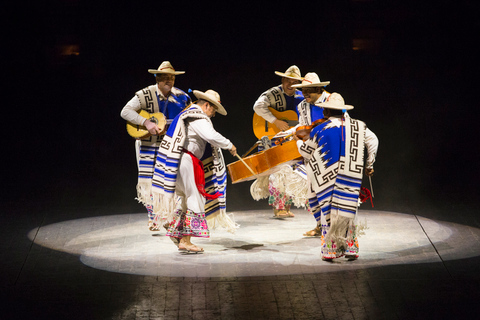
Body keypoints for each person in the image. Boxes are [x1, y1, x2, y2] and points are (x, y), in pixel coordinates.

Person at [149, 89, 237, 253]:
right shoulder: (198, 116)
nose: (213, 114)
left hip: (178, 160)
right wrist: (229, 144)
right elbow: (211, 135)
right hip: (186, 161)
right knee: (194, 197)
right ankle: (186, 241)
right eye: (213, 110)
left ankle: (178, 234)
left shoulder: (188, 113)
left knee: (184, 199)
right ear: (206, 105)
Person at [297, 93, 378, 260]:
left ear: (326, 112)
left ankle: (331, 250)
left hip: (327, 177)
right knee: (349, 210)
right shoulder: (358, 126)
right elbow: (373, 140)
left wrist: (298, 142)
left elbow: (306, 152)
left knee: (329, 211)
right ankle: (351, 248)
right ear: (342, 110)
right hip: (350, 174)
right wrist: (369, 164)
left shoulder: (319, 129)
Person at [120, 61, 191, 231]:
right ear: (157, 78)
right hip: (149, 145)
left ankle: (171, 215)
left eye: (172, 78)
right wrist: (146, 122)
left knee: (173, 179)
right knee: (152, 181)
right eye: (165, 77)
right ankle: (154, 217)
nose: (169, 81)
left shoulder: (182, 97)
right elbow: (125, 111)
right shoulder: (144, 95)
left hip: (172, 145)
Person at [250, 65, 304, 217]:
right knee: (277, 171)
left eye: (294, 81)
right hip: (272, 138)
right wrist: (275, 121)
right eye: (288, 80)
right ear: (282, 79)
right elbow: (257, 106)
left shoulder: (300, 96)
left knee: (290, 172)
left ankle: (286, 207)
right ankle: (278, 208)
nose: (290, 84)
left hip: (290, 139)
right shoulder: (273, 93)